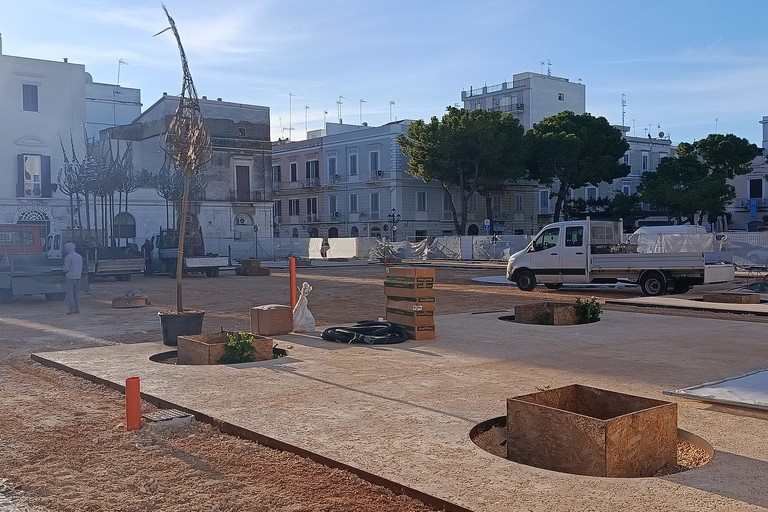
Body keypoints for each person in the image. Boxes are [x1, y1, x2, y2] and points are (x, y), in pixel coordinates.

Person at [62, 242, 83, 315]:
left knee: (70, 294)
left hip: (70, 277)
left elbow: (67, 268)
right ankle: (77, 309)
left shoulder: (68, 257)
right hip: (78, 277)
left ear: (68, 249)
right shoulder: (79, 256)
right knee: (76, 294)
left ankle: (72, 309)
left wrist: (63, 270)